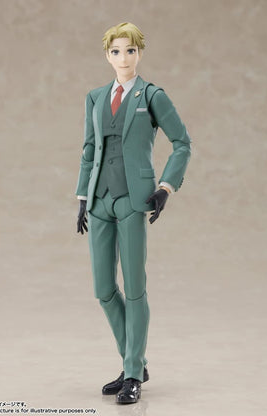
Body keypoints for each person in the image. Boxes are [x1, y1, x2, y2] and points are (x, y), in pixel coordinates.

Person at [75, 22, 192, 404]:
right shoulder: (95, 97)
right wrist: (82, 197)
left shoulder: (152, 95)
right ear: (107, 55)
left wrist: (166, 186)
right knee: (104, 289)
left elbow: (182, 142)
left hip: (132, 199)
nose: (123, 58)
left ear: (139, 53)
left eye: (130, 50)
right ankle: (135, 362)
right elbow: (89, 149)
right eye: (116, 51)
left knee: (135, 288)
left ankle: (132, 372)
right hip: (100, 200)